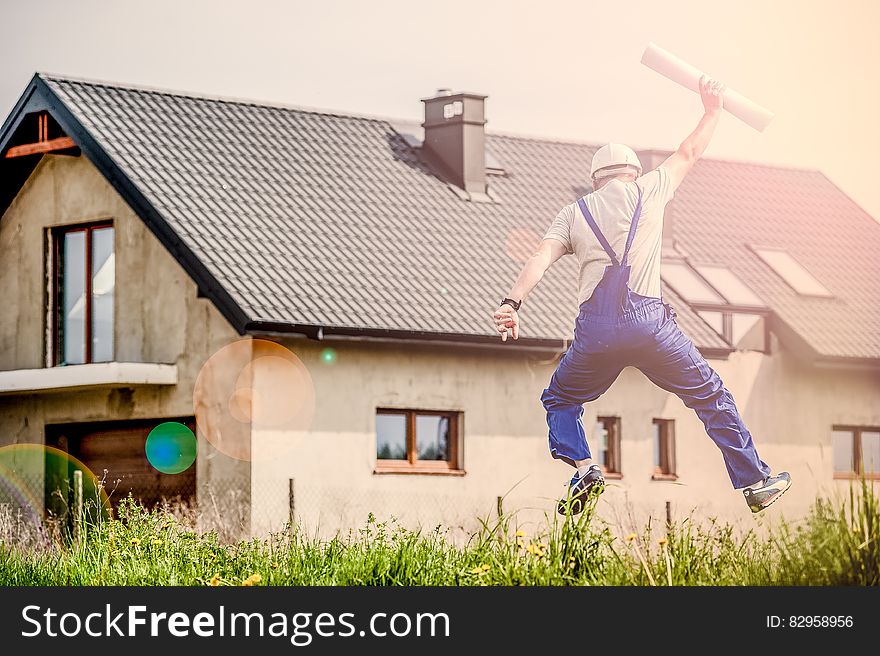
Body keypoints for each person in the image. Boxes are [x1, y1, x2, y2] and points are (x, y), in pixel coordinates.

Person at [493, 76, 790, 515]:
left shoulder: (574, 213)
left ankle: (584, 469)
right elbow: (689, 151)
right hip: (651, 327)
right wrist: (712, 110)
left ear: (596, 180)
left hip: (596, 334)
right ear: (632, 172)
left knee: (560, 399)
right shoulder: (649, 190)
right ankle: (756, 481)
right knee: (709, 396)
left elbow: (540, 256)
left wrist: (511, 304)